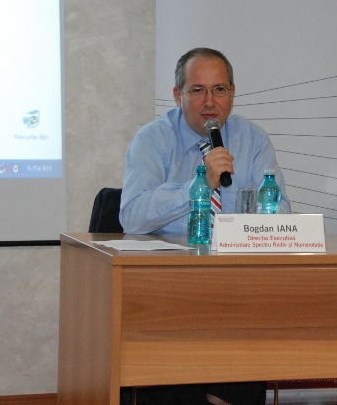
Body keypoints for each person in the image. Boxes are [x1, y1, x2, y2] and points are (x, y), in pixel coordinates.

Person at [120, 47, 290, 405]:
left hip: (235, 287)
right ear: (178, 95)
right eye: (197, 90)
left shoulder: (253, 140)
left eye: (219, 90)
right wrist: (198, 186)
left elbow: (279, 212)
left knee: (252, 334)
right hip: (169, 287)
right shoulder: (152, 140)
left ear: (232, 93)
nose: (210, 102)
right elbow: (132, 215)